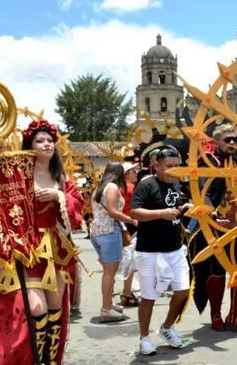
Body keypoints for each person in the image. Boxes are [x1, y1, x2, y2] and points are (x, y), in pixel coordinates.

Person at [0, 119, 84, 365]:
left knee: (55, 310)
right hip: (27, 247)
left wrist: (58, 195)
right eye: (40, 141)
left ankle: (50, 360)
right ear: (29, 145)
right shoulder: (18, 173)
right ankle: (34, 359)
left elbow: (77, 206)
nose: (46, 145)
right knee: (36, 308)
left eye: (50, 141)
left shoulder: (60, 177)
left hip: (56, 250)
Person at [188, 123, 237, 333]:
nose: (233, 143)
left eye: (235, 139)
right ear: (216, 141)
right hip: (216, 227)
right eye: (228, 139)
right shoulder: (208, 162)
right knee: (215, 273)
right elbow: (203, 190)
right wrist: (210, 211)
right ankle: (216, 315)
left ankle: (234, 317)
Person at [130, 147, 192, 355]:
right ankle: (144, 337)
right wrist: (160, 214)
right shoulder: (147, 184)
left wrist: (186, 209)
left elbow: (178, 206)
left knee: (183, 291)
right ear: (156, 166)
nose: (174, 170)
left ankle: (166, 327)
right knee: (149, 296)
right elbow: (135, 212)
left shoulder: (177, 183)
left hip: (174, 249)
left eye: (177, 166)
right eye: (169, 167)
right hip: (149, 251)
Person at [90, 162, 137, 322]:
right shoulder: (112, 187)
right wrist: (131, 220)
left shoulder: (100, 186)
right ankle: (106, 308)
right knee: (110, 272)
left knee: (108, 271)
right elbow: (113, 211)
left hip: (97, 231)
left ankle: (108, 304)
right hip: (109, 231)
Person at [120, 162, 140, 307]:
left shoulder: (119, 188)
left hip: (123, 225)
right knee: (130, 261)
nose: (136, 173)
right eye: (133, 171)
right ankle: (126, 293)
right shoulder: (131, 188)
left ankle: (127, 291)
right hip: (132, 225)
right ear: (127, 173)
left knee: (128, 260)